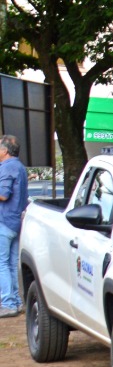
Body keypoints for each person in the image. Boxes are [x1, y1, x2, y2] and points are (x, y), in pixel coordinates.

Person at [0, 134, 28, 317]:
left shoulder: (7, 167)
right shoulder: (20, 166)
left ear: (4, 151)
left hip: (5, 220)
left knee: (2, 263)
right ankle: (16, 301)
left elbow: (3, 194)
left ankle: (8, 303)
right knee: (11, 263)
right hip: (17, 221)